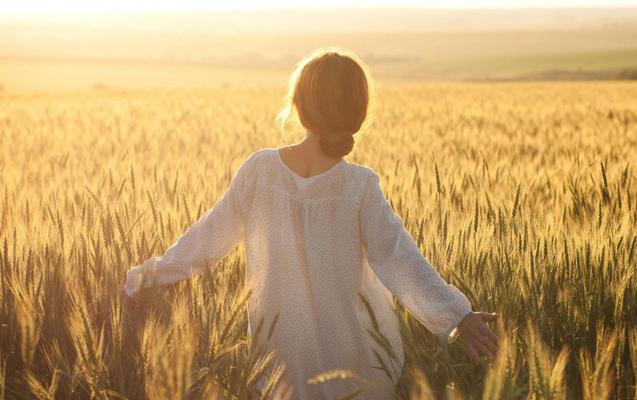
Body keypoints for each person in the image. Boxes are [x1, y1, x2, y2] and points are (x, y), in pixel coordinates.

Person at [121, 47, 498, 399]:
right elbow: (400, 260)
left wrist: (142, 279)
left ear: (297, 105)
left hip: (280, 358)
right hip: (358, 358)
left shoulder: (260, 171)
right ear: (359, 113)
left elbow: (205, 241)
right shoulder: (358, 185)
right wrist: (457, 316)